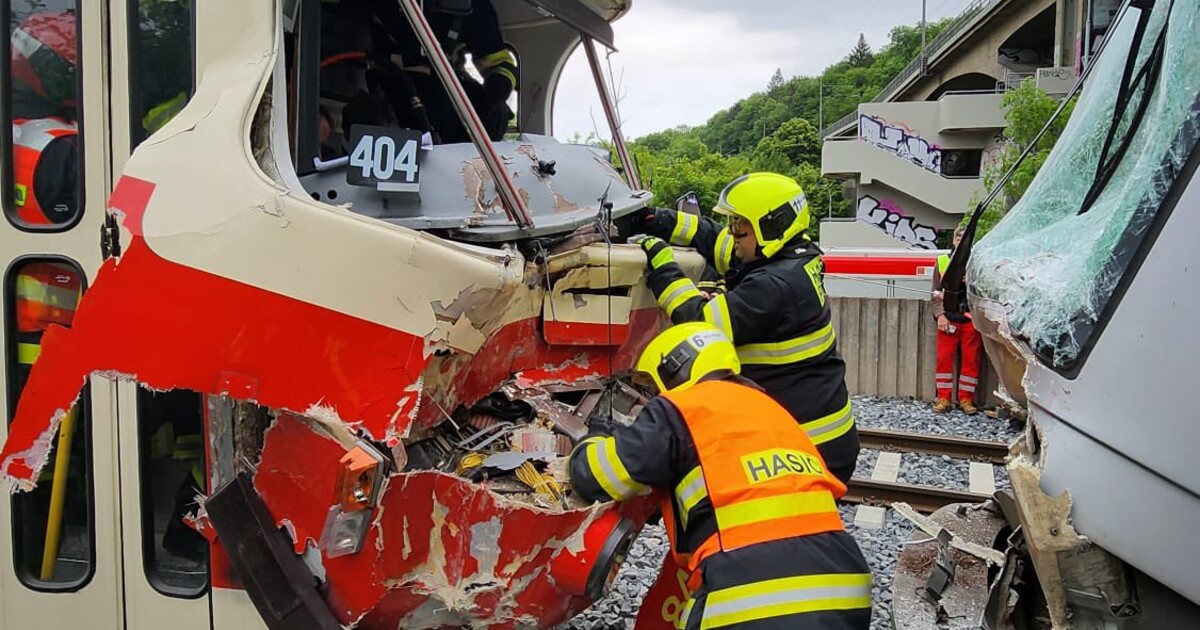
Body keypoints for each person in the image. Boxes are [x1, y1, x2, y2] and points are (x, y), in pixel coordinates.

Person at [570, 323, 872, 630]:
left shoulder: (683, 407)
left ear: (673, 369)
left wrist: (595, 436)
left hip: (751, 593)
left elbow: (598, 476)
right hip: (846, 586)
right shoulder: (772, 410)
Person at [626, 173, 860, 484]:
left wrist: (662, 264)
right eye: (732, 225)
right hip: (823, 433)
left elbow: (698, 320)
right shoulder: (791, 255)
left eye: (740, 229)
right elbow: (714, 239)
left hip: (809, 447)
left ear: (771, 227)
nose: (732, 236)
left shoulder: (775, 285)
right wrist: (660, 221)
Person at [333, 0, 516, 143]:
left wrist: (497, 95)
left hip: (445, 94)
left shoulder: (475, 6)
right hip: (386, 89)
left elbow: (500, 61)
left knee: (493, 113)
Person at [931, 226, 983, 414]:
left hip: (970, 320)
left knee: (971, 362)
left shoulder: (976, 265)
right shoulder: (943, 261)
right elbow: (935, 293)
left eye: (965, 240)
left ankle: (966, 400)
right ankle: (943, 398)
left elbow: (982, 294)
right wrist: (940, 315)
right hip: (949, 319)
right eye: (958, 239)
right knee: (943, 361)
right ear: (954, 241)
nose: (961, 243)